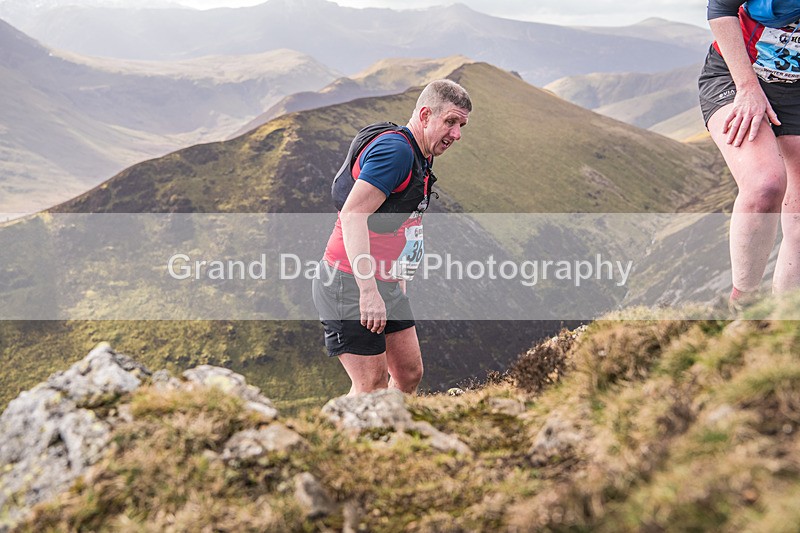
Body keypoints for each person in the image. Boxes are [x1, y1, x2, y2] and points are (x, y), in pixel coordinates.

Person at [312, 79, 472, 395]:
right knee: (370, 386)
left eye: (461, 125)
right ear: (425, 115)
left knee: (409, 374)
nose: (456, 134)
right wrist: (368, 291)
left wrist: (398, 277)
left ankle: (391, 424)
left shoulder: (422, 152)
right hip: (349, 283)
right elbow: (353, 215)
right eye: (450, 122)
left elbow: (405, 218)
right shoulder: (395, 152)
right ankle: (345, 427)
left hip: (386, 281)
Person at [700, 0, 800, 309]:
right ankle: (742, 312)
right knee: (764, 185)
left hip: (796, 92)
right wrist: (747, 87)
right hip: (737, 75)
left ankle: (784, 321)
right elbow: (720, 8)